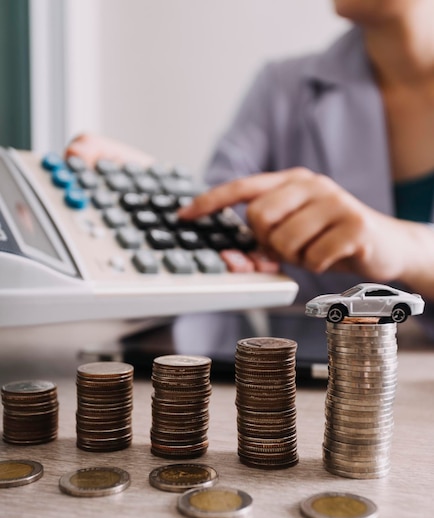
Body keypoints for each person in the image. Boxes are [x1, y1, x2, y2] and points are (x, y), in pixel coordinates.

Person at [67, 0, 434, 338]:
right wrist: (153, 194)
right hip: (304, 389)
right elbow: (221, 222)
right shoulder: (283, 87)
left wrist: (414, 249)